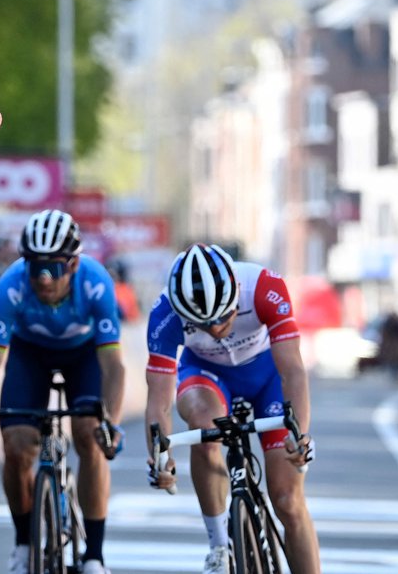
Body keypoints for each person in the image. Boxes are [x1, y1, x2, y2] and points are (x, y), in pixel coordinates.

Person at [0, 210, 126, 574]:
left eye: (52, 268)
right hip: (29, 355)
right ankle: (23, 544)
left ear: (73, 264)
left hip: (83, 356)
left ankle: (95, 555)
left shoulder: (96, 283)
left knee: (90, 435)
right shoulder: (12, 285)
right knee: (18, 446)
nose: (42, 278)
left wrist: (110, 422)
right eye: (35, 267)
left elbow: (113, 366)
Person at [143, 243, 320, 574]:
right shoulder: (165, 314)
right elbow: (159, 399)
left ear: (236, 292)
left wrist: (302, 433)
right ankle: (219, 545)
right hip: (207, 376)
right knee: (203, 427)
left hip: (267, 375)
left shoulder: (264, 287)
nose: (215, 329)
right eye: (202, 323)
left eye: (223, 317)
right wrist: (160, 456)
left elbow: (293, 371)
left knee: (287, 501)